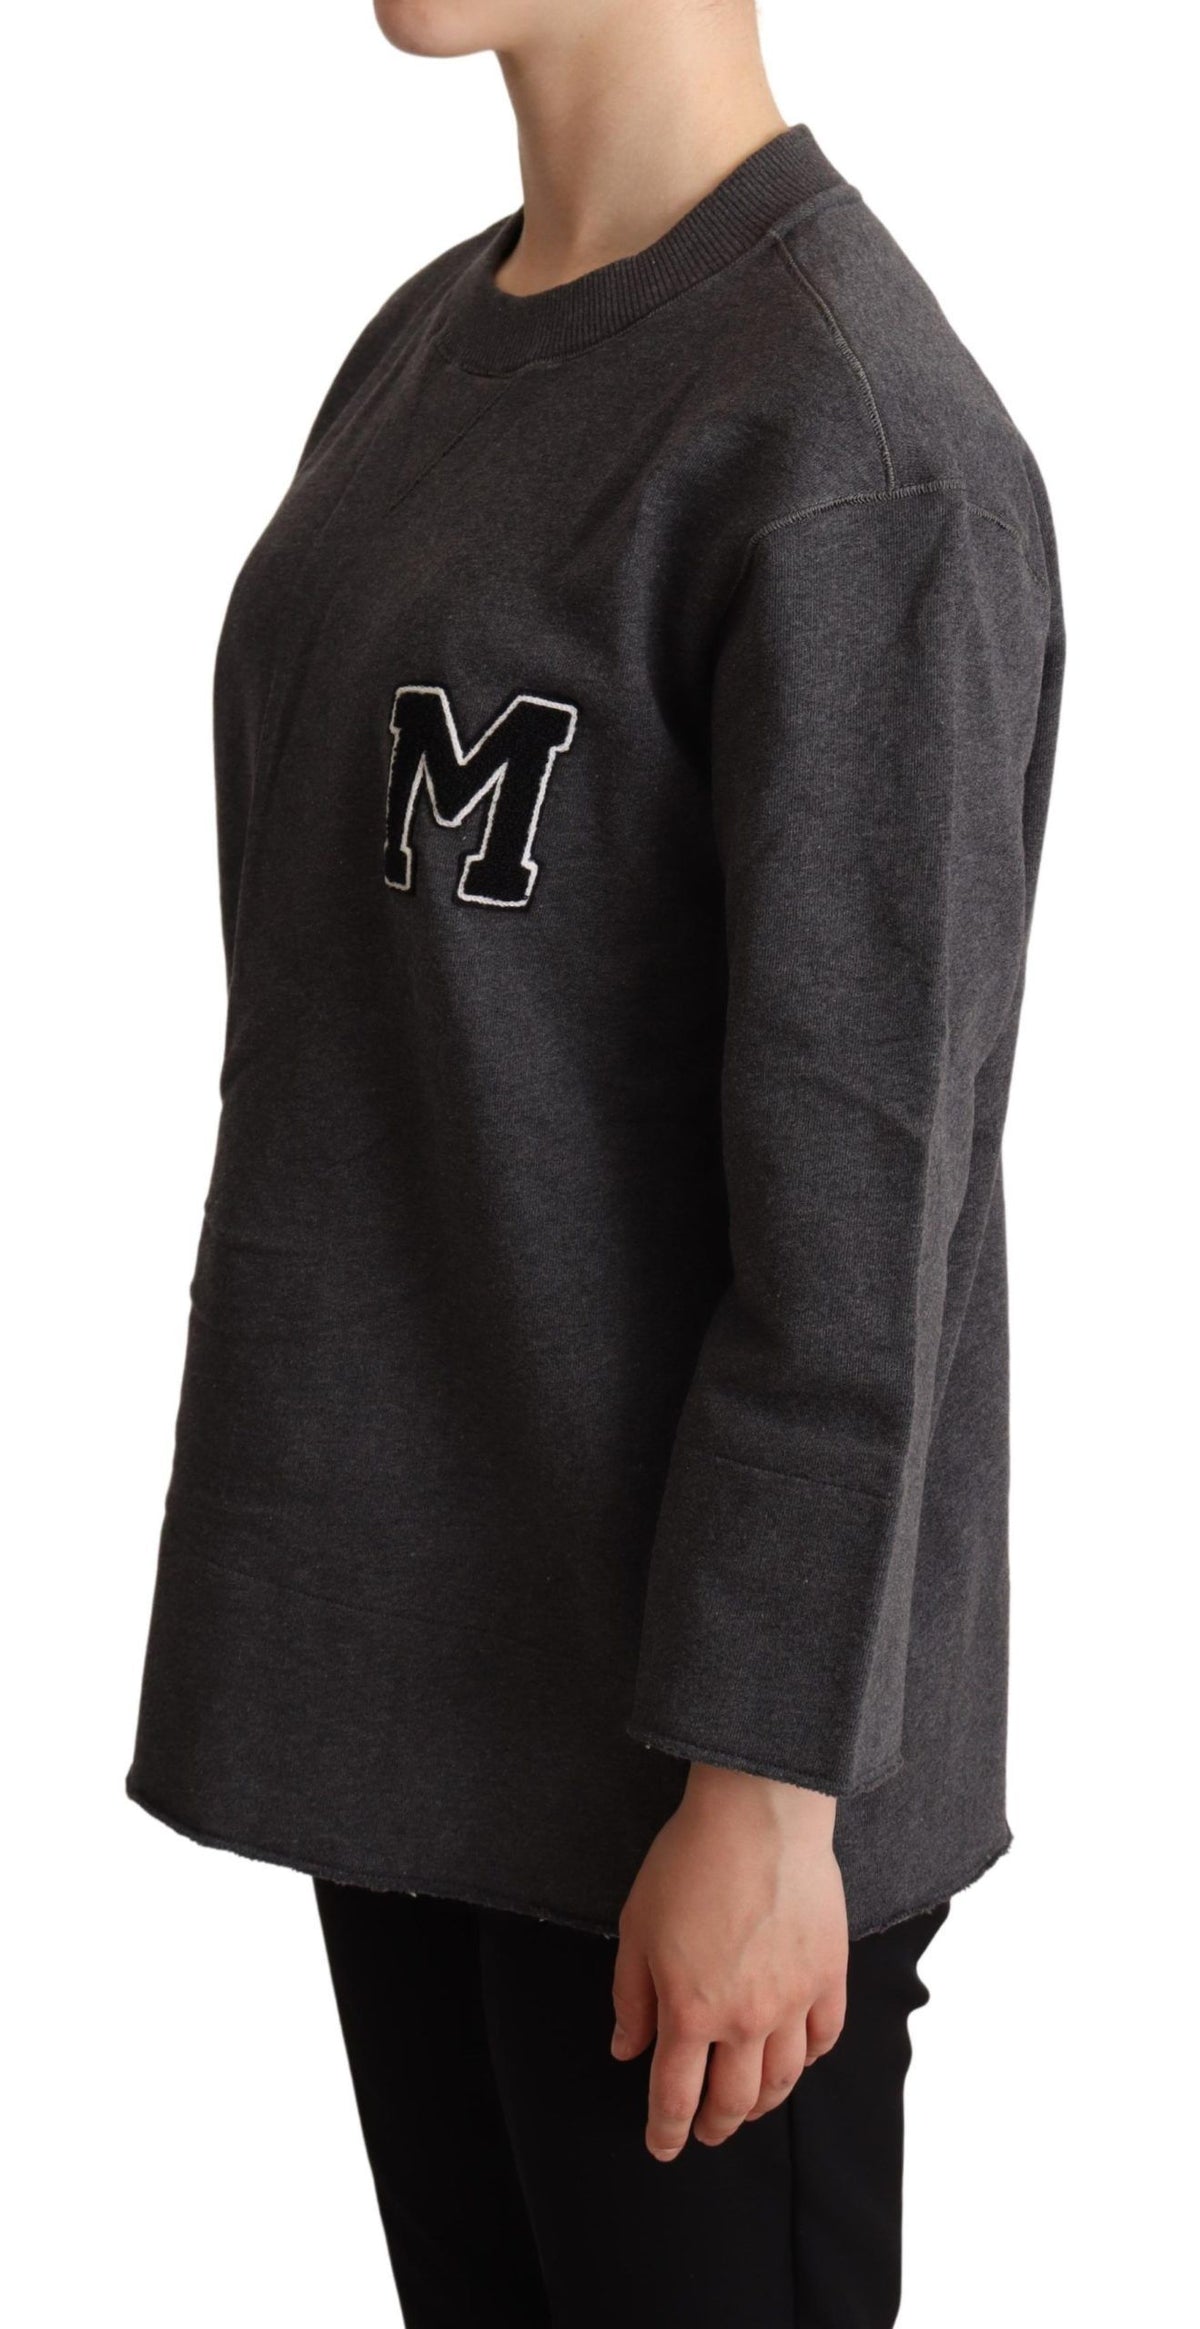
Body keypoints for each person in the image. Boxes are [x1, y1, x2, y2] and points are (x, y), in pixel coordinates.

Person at [126, 2, 1066, 2321]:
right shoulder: (426, 353)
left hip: (688, 1777)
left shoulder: (851, 442)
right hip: (428, 1692)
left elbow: (871, 1202)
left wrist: (764, 1784)